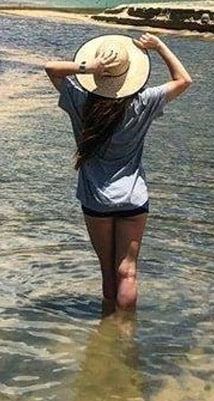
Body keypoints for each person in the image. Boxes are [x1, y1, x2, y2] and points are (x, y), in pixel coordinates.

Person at [45, 32, 193, 313]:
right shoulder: (144, 102)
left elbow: (51, 68)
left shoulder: (80, 101)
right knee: (128, 272)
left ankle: (106, 334)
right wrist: (159, 46)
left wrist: (87, 68)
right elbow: (184, 80)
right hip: (134, 199)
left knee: (107, 270)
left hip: (96, 200)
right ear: (130, 74)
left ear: (99, 76)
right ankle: (125, 337)